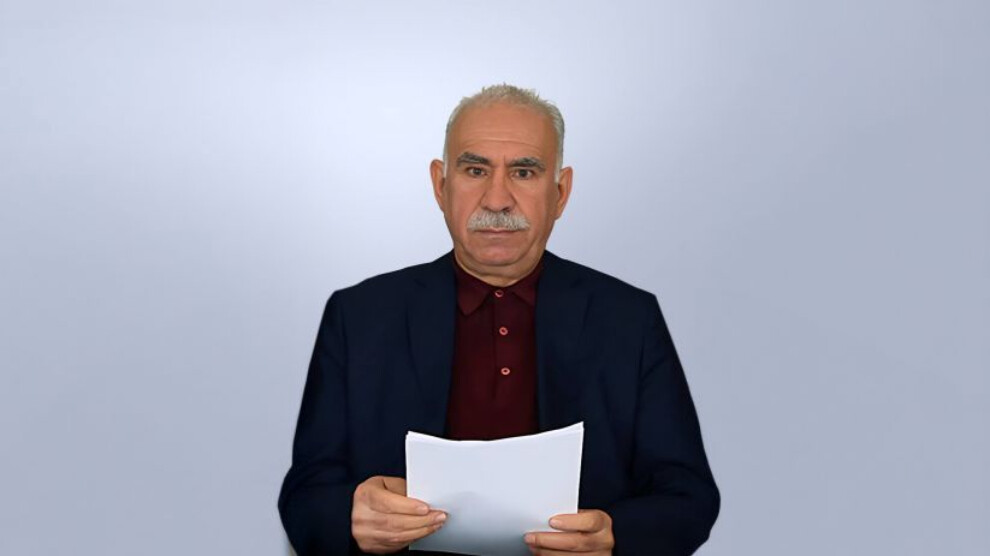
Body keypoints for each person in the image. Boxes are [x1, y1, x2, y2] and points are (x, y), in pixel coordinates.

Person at [278, 84, 720, 555]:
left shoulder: (629, 318)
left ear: (561, 193)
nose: (497, 199)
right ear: (440, 185)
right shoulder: (359, 316)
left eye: (524, 172)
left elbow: (688, 497)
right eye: (475, 170)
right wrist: (352, 517)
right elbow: (305, 497)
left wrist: (613, 536)